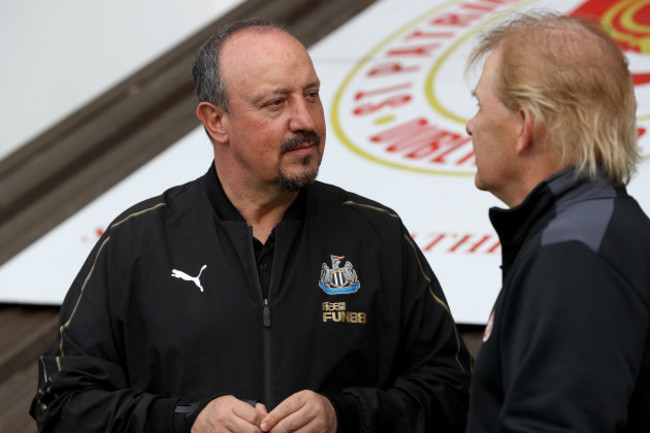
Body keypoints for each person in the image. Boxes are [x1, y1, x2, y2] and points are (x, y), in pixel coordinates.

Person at [30, 18, 472, 433]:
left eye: (312, 95)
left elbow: (455, 390)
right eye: (276, 103)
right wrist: (186, 421)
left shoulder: (376, 234)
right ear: (216, 121)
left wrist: (345, 415)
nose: (306, 121)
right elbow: (61, 403)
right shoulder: (136, 242)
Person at [464, 11, 650, 432]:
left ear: (524, 126)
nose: (470, 124)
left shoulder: (574, 256)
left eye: (480, 105)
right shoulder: (596, 231)